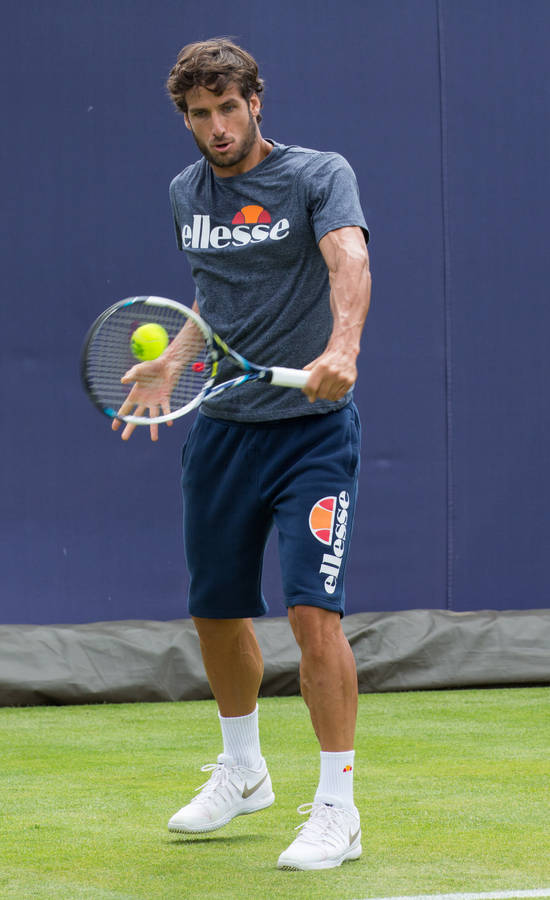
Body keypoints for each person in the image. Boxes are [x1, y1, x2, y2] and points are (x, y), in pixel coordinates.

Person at [113, 37, 371, 871]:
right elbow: (214, 295)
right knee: (216, 612)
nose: (218, 127)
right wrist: (176, 360)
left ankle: (338, 807)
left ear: (256, 102)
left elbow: (349, 258)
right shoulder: (187, 192)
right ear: (185, 118)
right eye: (201, 114)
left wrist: (343, 349)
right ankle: (244, 770)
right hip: (223, 429)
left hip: (312, 433)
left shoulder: (317, 175)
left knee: (310, 612)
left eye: (230, 108)